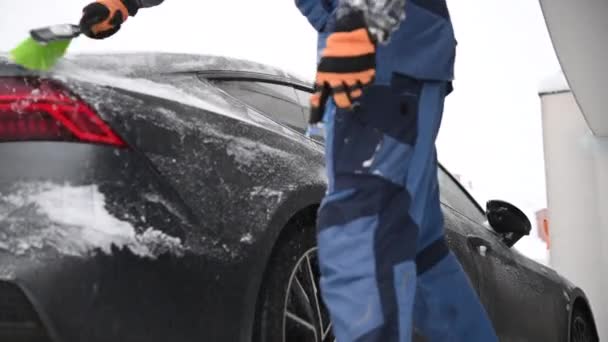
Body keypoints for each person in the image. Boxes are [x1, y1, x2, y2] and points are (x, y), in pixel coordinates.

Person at [78, 0, 498, 341]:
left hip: (377, 38)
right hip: (404, 40)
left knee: (362, 228)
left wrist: (359, 19)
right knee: (419, 241)